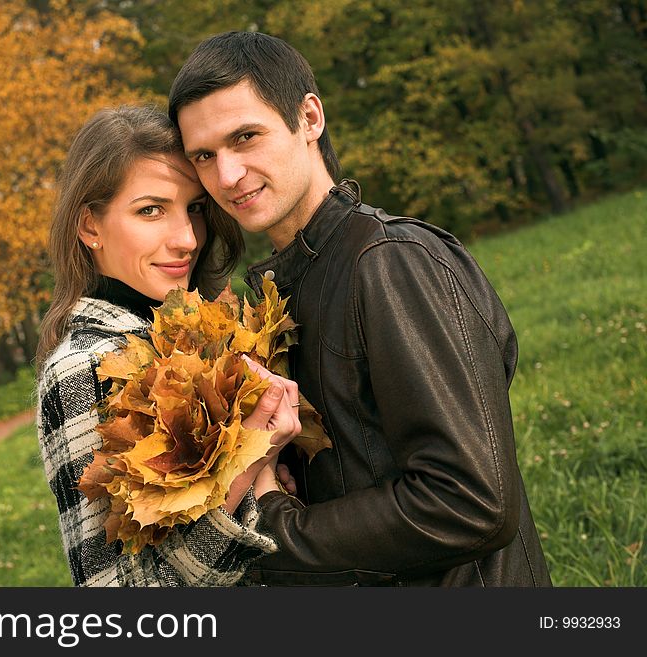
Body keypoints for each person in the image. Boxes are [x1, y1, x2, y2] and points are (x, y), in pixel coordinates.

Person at [168, 31, 552, 586]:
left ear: (309, 118)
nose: (226, 176)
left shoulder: (391, 264)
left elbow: (472, 502)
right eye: (204, 155)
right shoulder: (284, 289)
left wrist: (274, 529)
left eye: (246, 137)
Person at [35, 105, 301, 587]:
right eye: (150, 210)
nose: (186, 239)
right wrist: (253, 460)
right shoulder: (82, 368)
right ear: (90, 226)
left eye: (195, 208)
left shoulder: (200, 337)